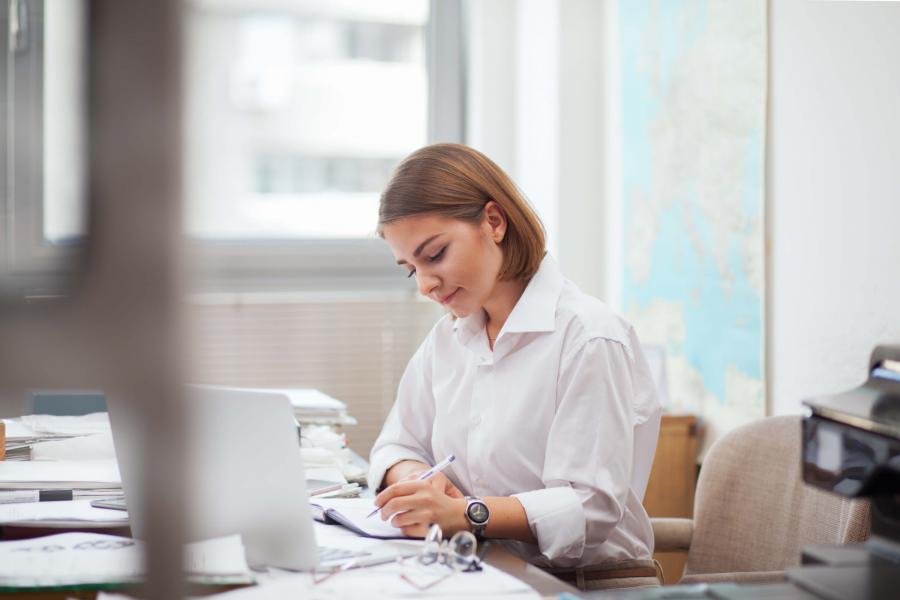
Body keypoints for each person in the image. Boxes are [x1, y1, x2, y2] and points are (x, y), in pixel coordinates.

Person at [368, 143, 662, 590]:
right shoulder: (449, 340)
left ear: (494, 221)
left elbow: (590, 506)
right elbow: (395, 445)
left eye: (435, 255)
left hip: (586, 584)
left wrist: (466, 513)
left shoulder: (589, 336)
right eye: (411, 269)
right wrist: (418, 486)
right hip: (487, 575)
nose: (426, 285)